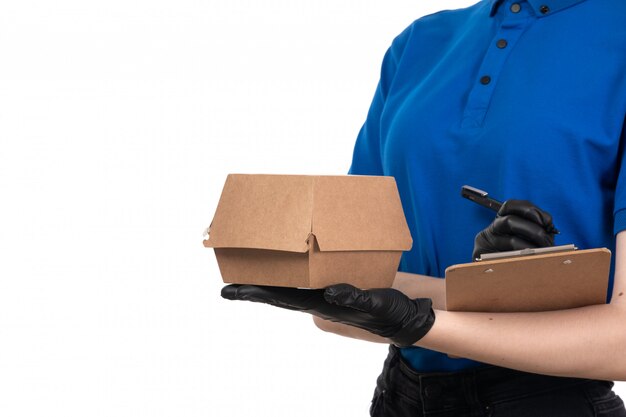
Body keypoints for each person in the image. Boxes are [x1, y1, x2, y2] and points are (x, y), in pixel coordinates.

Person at [221, 0, 626, 415]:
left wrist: (422, 320)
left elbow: (622, 342)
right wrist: (489, 292)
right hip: (401, 396)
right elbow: (342, 297)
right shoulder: (420, 42)